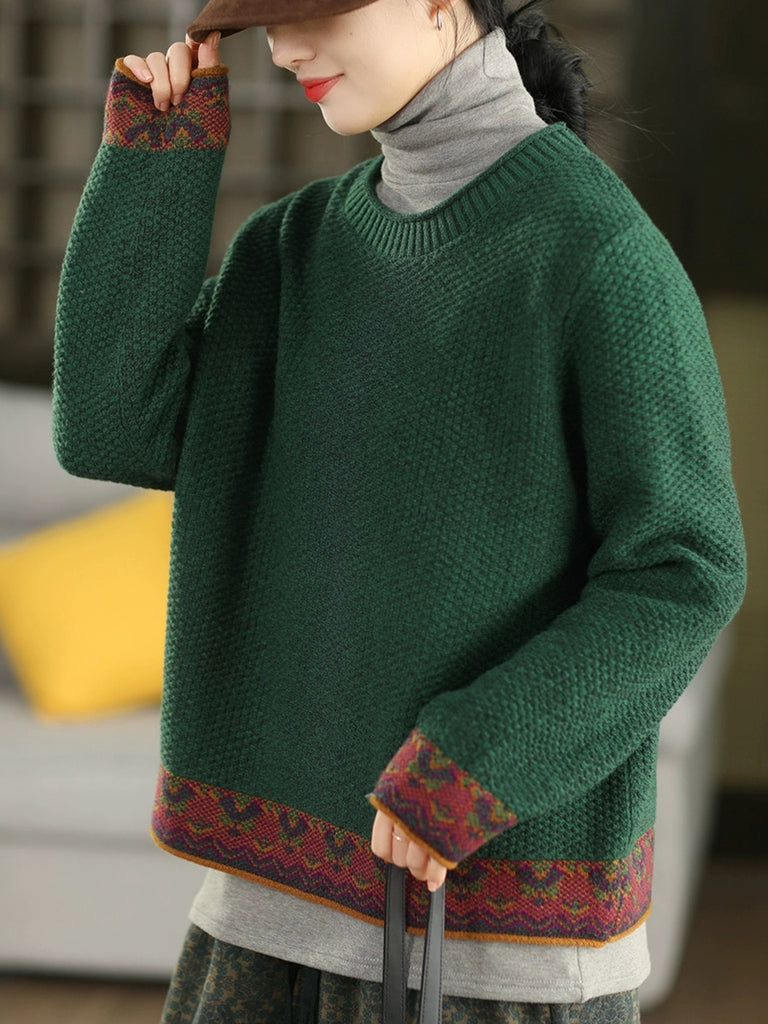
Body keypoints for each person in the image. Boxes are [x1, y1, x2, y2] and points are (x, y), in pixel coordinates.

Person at [53, 1, 747, 1021]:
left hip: (486, 954)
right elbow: (113, 427)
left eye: (314, 9)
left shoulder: (596, 253)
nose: (284, 46)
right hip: (262, 923)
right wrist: (157, 164)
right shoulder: (287, 250)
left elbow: (685, 569)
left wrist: (473, 764)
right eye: (265, 19)